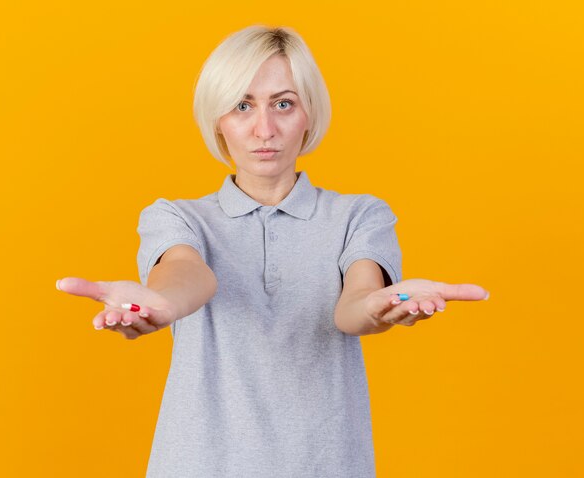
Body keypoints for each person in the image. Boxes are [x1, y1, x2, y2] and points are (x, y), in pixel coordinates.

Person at [56, 25, 489, 478]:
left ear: (309, 114)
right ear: (217, 119)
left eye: (283, 104)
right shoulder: (177, 217)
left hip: (328, 465)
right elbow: (189, 273)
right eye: (242, 106)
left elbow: (354, 306)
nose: (265, 128)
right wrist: (161, 303)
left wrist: (384, 305)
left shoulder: (359, 215)